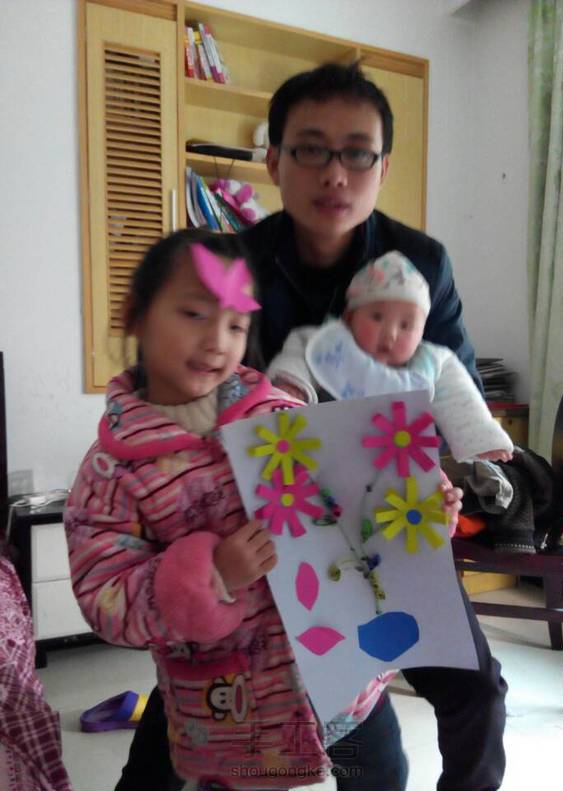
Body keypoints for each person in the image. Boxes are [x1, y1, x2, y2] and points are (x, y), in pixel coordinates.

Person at [117, 63, 507, 791]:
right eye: (311, 149)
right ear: (273, 160)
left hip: (384, 519)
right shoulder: (233, 264)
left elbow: (451, 391)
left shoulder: (420, 265)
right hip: (260, 522)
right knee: (193, 694)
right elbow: (183, 392)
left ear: (383, 167)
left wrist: (444, 479)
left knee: (475, 688)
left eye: (357, 152)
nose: (335, 173)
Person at [67, 229, 461, 791]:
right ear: (136, 315)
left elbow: (355, 506)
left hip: (349, 677)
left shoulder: (282, 418)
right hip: (229, 709)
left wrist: (420, 506)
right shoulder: (113, 471)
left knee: (382, 774)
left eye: (236, 325)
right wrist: (212, 575)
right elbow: (107, 599)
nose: (217, 341)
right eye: (194, 314)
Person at [268, 249, 514, 464]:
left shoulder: (431, 362)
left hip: (398, 466)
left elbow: (461, 399)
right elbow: (297, 355)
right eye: (377, 317)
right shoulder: (331, 347)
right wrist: (291, 386)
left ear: (422, 332)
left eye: (406, 325)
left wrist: (482, 439)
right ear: (349, 318)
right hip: (328, 458)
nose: (390, 334)